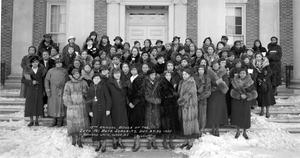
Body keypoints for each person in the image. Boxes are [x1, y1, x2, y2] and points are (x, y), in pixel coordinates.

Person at [86, 73, 112, 153]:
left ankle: (104, 144)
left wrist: (108, 109)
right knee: (96, 128)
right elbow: (88, 102)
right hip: (95, 112)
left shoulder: (103, 87)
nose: (96, 80)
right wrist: (89, 111)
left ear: (100, 80)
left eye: (98, 78)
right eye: (95, 79)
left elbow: (108, 99)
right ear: (92, 80)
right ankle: (98, 143)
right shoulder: (90, 89)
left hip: (104, 111)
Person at [63, 68, 89, 147]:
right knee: (72, 123)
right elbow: (66, 94)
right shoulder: (68, 83)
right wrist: (69, 104)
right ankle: (73, 139)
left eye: (77, 73)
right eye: (74, 74)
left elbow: (87, 93)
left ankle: (79, 139)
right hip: (72, 106)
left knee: (81, 123)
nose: (76, 75)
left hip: (81, 106)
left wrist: (85, 94)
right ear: (72, 75)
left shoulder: (83, 82)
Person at [230, 68, 258, 139]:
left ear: (246, 74)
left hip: (246, 101)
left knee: (245, 116)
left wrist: (248, 95)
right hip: (237, 101)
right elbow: (232, 91)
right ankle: (238, 131)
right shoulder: (234, 81)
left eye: (243, 73)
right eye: (241, 73)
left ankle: (245, 132)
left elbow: (254, 92)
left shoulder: (250, 82)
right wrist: (239, 95)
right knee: (237, 115)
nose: (242, 74)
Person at [105, 68, 129, 150]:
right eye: (115, 73)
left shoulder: (123, 82)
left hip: (122, 106)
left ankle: (120, 140)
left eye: (118, 73)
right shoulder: (109, 83)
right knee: (114, 123)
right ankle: (114, 141)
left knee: (121, 123)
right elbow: (107, 96)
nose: (117, 75)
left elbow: (127, 94)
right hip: (113, 107)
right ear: (112, 74)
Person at [21, 55, 47, 126]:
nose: (35, 63)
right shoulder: (27, 71)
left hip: (39, 89)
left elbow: (45, 80)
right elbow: (23, 80)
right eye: (33, 62)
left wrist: (44, 90)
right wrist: (31, 82)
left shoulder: (42, 70)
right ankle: (31, 120)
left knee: (39, 105)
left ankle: (37, 120)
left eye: (36, 62)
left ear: (38, 62)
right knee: (30, 105)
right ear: (31, 63)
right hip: (31, 90)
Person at [177, 68, 199, 150]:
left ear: (189, 75)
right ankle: (186, 141)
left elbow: (189, 93)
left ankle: (191, 142)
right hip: (184, 107)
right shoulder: (182, 82)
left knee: (191, 124)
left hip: (190, 106)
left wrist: (181, 101)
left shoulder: (191, 82)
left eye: (185, 74)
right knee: (184, 124)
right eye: (183, 74)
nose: (184, 76)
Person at [207, 59, 229, 136]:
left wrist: (217, 87)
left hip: (220, 94)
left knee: (219, 111)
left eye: (217, 65)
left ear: (219, 65)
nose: (215, 66)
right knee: (212, 112)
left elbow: (226, 83)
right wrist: (210, 88)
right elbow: (207, 83)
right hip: (212, 94)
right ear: (212, 66)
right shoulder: (209, 73)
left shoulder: (223, 73)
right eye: (214, 65)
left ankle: (217, 128)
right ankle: (213, 128)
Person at [44, 58, 69, 127]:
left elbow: (67, 81)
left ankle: (60, 119)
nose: (59, 64)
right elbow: (46, 80)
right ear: (55, 64)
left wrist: (64, 86)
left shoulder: (65, 71)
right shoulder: (51, 71)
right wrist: (47, 89)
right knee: (54, 104)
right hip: (53, 90)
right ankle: (54, 119)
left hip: (62, 90)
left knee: (61, 104)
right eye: (57, 63)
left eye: (60, 63)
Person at [159, 72, 180, 150]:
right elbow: (161, 93)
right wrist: (171, 93)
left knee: (172, 122)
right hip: (165, 105)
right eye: (166, 75)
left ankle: (171, 140)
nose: (168, 76)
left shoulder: (173, 82)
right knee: (165, 123)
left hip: (173, 105)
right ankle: (164, 140)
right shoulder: (161, 82)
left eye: (169, 75)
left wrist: (175, 94)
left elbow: (177, 92)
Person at [127, 65, 145, 152]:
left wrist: (133, 103)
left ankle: (137, 141)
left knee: (138, 120)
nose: (133, 71)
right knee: (132, 120)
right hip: (130, 104)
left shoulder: (141, 79)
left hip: (138, 103)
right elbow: (126, 92)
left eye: (135, 69)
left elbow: (141, 92)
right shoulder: (129, 79)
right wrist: (129, 102)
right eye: (132, 69)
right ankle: (135, 138)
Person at [252, 53, 276, 118]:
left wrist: (265, 78)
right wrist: (258, 79)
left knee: (267, 97)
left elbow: (270, 72)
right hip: (259, 82)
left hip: (266, 82)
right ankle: (262, 110)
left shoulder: (266, 64)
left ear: (262, 57)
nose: (258, 58)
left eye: (259, 56)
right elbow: (254, 74)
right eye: (257, 56)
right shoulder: (254, 65)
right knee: (261, 97)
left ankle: (267, 111)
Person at [144, 69, 161, 150]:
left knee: (155, 123)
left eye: (154, 74)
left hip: (156, 106)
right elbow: (146, 95)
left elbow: (160, 93)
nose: (153, 76)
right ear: (148, 76)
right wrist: (155, 101)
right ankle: (149, 141)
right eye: (151, 75)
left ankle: (154, 141)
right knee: (149, 125)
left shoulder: (158, 82)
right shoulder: (145, 83)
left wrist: (159, 99)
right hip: (149, 106)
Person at [194, 65, 211, 137]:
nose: (200, 71)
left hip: (203, 99)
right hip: (195, 98)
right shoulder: (194, 78)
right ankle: (196, 129)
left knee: (203, 114)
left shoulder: (207, 78)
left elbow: (208, 90)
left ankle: (202, 128)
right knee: (195, 114)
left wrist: (200, 97)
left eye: (202, 69)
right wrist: (195, 96)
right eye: (199, 69)